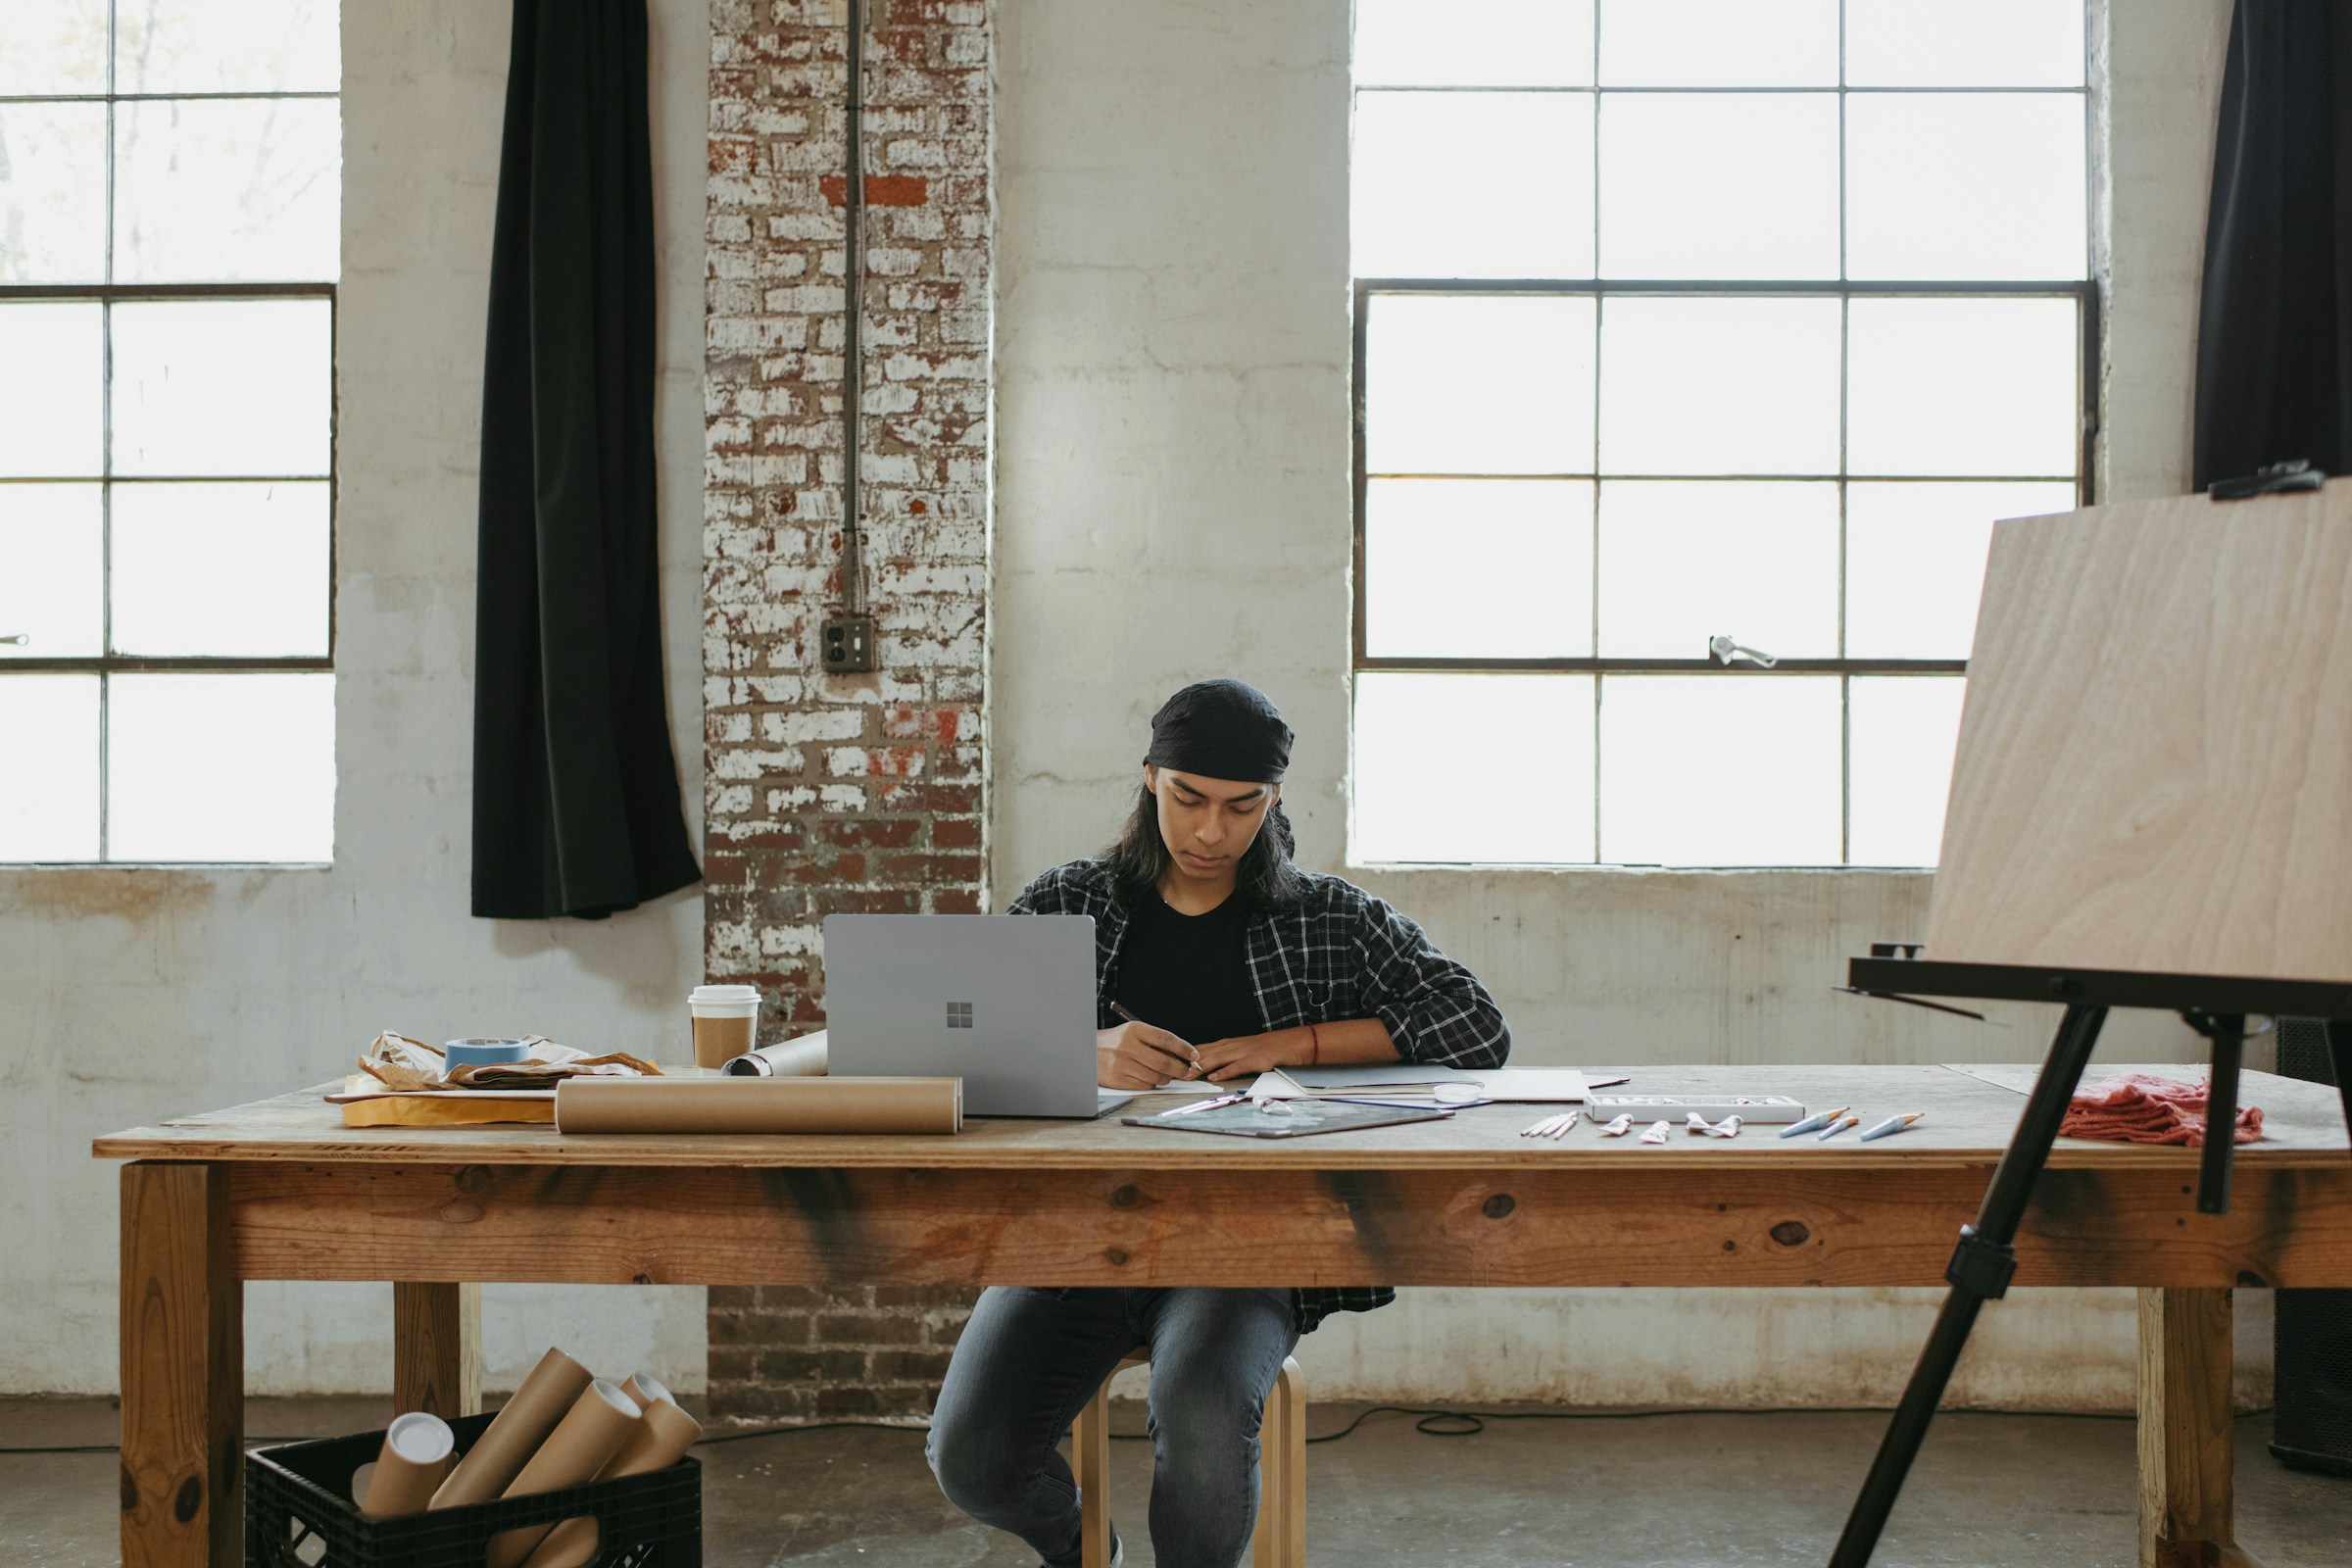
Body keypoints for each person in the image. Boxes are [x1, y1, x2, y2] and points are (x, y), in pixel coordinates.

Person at [926, 678, 1510, 1568]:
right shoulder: (1068, 904)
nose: (1211, 833)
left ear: (1272, 800)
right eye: (1188, 799)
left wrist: (1292, 1044)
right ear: (1150, 778)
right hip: (1073, 1234)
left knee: (1200, 1411)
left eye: (1242, 808)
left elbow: (1476, 1025)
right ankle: (1091, 1555)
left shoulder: (1327, 919)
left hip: (1243, 1243)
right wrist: (1083, 1049)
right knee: (971, 1458)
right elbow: (946, 1037)